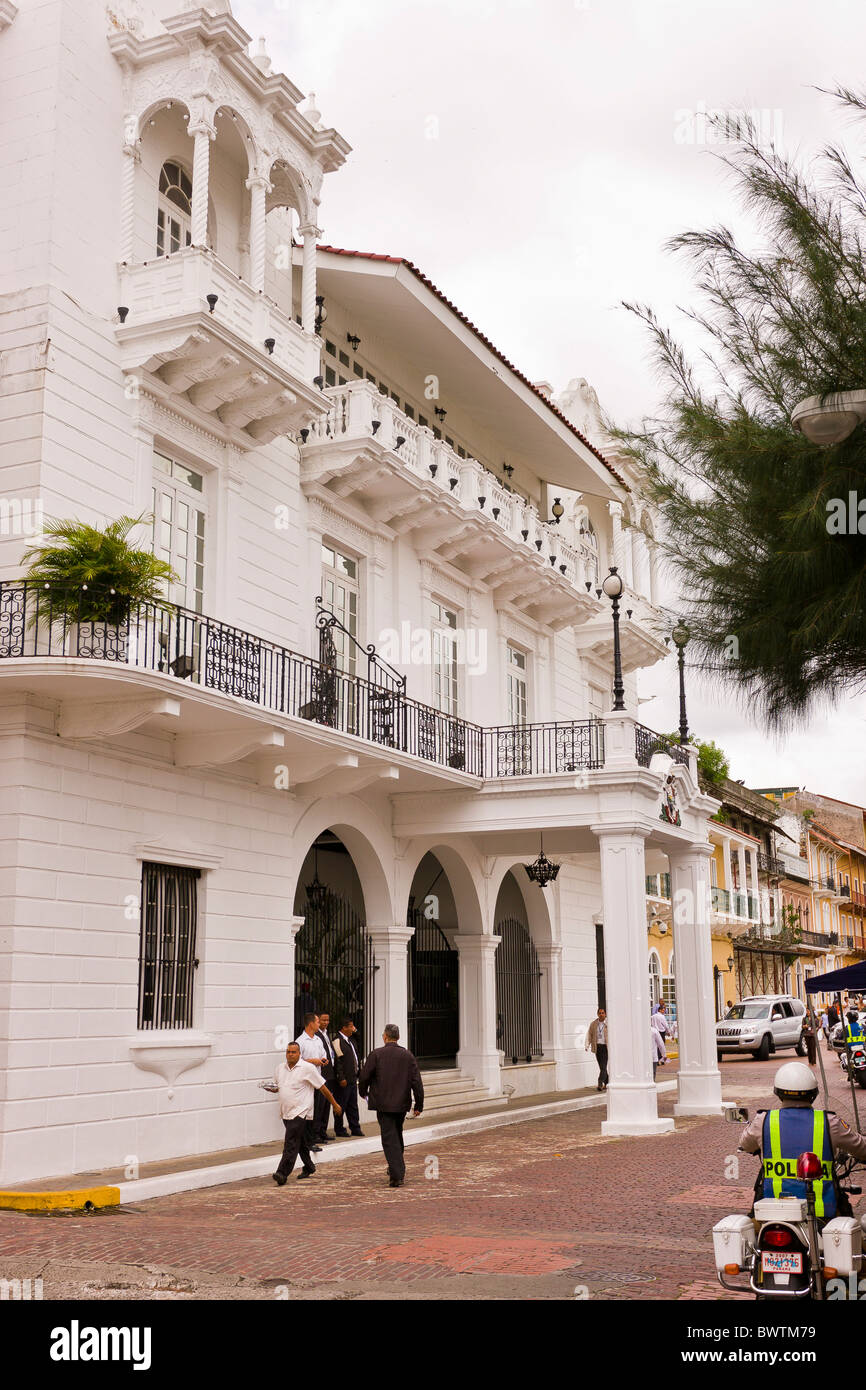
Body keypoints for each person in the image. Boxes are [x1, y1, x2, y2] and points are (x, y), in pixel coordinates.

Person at [739, 1061, 866, 1219]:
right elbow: (862, 1148)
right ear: (813, 1094)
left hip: (772, 1213)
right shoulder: (829, 1122)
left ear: (778, 1092)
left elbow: (744, 1144)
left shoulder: (764, 1120)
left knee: (752, 1235)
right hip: (823, 1213)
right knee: (849, 1233)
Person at [358, 1023, 423, 1188]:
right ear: (398, 1037)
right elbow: (417, 1082)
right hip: (401, 1103)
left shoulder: (376, 1054)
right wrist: (419, 1104)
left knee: (389, 1138)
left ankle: (396, 1173)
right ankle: (397, 1166)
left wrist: (363, 1091)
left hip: (383, 1103)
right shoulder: (407, 1056)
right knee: (396, 1133)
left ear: (385, 1037)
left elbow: (364, 1076)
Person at [271, 1041, 342, 1185]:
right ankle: (309, 1166)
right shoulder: (280, 1068)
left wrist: (335, 1104)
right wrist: (271, 1088)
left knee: (291, 1142)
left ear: (299, 1053)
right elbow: (278, 1087)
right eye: (288, 1052)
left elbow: (323, 1088)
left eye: (293, 1052)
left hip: (301, 1111)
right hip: (286, 1112)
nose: (290, 1054)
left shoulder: (307, 1068)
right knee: (301, 1142)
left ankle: (282, 1173)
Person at [295, 1013, 328, 1152]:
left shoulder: (318, 1040)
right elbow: (297, 1060)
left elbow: (323, 1054)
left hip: (317, 1080)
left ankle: (312, 1138)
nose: (319, 1024)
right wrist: (312, 1061)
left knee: (316, 1111)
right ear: (311, 1024)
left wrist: (323, 1060)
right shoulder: (301, 1041)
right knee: (306, 1112)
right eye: (317, 1022)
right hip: (305, 1083)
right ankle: (306, 1141)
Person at [332, 1019, 365, 1137]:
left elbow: (360, 1039)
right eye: (351, 1026)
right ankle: (339, 1129)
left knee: (353, 1105)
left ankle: (355, 1128)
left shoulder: (351, 1040)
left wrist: (355, 1031)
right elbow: (338, 1061)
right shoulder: (337, 1041)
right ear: (343, 1028)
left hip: (353, 1078)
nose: (353, 1028)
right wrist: (341, 1077)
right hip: (344, 1080)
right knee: (341, 1104)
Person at [313, 1011, 338, 1143]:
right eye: (323, 1020)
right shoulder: (316, 1035)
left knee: (327, 1105)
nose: (325, 1022)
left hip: (330, 1073)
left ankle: (323, 1131)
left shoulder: (326, 1034)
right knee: (320, 1105)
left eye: (327, 1020)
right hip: (321, 1074)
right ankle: (316, 1133)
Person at [585, 1007, 608, 1091]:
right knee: (602, 1067)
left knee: (603, 1066)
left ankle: (600, 1082)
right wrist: (587, 1045)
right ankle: (607, 1082)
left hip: (606, 1047)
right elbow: (589, 1035)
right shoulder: (594, 1024)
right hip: (597, 1047)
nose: (601, 1014)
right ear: (597, 1014)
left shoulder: (608, 1024)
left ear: (605, 1014)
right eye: (600, 1013)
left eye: (603, 1013)